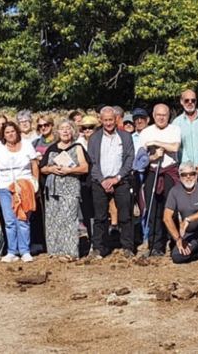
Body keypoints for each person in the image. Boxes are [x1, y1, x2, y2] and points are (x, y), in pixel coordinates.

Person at [87, 106, 136, 258]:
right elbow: (92, 162)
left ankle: (127, 247)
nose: (108, 123)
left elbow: (129, 158)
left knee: (125, 216)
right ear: (101, 120)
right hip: (100, 181)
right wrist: (102, 180)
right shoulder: (94, 138)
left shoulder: (125, 137)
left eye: (111, 120)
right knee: (100, 217)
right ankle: (99, 248)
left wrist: (117, 178)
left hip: (120, 180)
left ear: (116, 120)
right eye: (105, 120)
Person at [0, 121, 41, 262]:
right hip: (4, 188)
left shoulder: (26, 145)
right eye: (7, 132)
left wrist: (35, 183)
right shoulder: (0, 149)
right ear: (3, 135)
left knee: (23, 220)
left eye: (12, 131)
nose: (10, 134)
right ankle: (12, 251)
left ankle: (25, 251)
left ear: (17, 132)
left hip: (24, 186)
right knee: (10, 221)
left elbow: (34, 165)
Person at [40, 119, 89, 258]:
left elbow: (85, 167)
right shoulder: (52, 148)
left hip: (70, 188)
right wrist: (51, 168)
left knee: (68, 219)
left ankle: (70, 253)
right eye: (62, 128)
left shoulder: (77, 147)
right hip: (52, 189)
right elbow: (42, 168)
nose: (65, 131)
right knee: (53, 220)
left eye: (68, 128)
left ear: (73, 131)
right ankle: (55, 252)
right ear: (57, 132)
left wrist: (69, 170)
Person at [140, 102, 181, 257]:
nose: (161, 118)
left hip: (170, 171)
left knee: (171, 209)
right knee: (154, 209)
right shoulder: (146, 132)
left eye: (164, 115)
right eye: (158, 115)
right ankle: (155, 245)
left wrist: (156, 143)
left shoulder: (174, 129)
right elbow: (141, 157)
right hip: (152, 171)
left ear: (168, 116)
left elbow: (175, 147)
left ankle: (175, 243)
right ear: (153, 116)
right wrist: (154, 156)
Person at [163, 161, 198, 271]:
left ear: (196, 175)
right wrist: (178, 239)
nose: (188, 177)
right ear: (180, 177)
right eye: (184, 174)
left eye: (192, 174)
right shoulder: (174, 191)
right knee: (177, 256)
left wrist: (188, 219)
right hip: (189, 234)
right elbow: (166, 217)